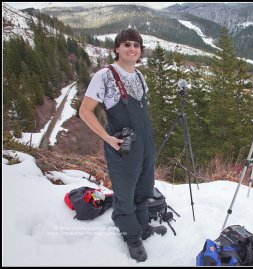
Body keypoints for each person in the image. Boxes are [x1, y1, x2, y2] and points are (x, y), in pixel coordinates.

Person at [79, 28, 167, 262]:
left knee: (144, 187)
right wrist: (107, 138)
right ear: (117, 48)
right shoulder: (105, 75)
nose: (132, 49)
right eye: (127, 44)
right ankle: (132, 236)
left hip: (145, 145)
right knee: (125, 193)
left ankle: (142, 226)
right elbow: (85, 111)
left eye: (136, 45)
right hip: (122, 147)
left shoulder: (139, 76)